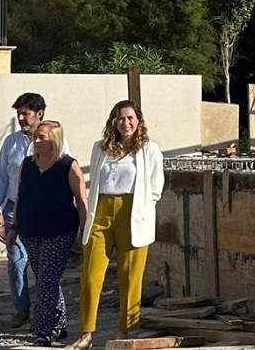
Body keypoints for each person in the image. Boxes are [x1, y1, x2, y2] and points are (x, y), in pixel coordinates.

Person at [76, 101, 164, 349]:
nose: (125, 123)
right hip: (102, 212)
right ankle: (86, 333)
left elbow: (156, 188)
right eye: (121, 118)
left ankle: (125, 332)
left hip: (132, 213)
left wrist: (144, 210)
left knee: (130, 276)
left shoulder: (149, 150)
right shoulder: (100, 148)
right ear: (113, 122)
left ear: (138, 121)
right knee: (91, 276)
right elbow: (95, 182)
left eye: (130, 118)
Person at [0, 92, 72, 328]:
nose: (21, 118)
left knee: (45, 266)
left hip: (46, 212)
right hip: (15, 208)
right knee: (16, 261)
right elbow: (2, 176)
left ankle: (46, 311)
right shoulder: (11, 142)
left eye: (25, 113)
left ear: (39, 114)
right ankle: (21, 308)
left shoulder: (57, 140)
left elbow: (66, 174)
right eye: (18, 113)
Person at [5, 121, 88, 347]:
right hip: (30, 231)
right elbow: (21, 196)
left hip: (59, 231)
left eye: (42, 136)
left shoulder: (68, 166)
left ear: (55, 139)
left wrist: (85, 231)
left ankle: (44, 329)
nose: (37, 140)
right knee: (44, 278)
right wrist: (14, 227)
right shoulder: (28, 164)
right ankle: (59, 323)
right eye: (36, 136)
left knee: (47, 281)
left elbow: (81, 201)